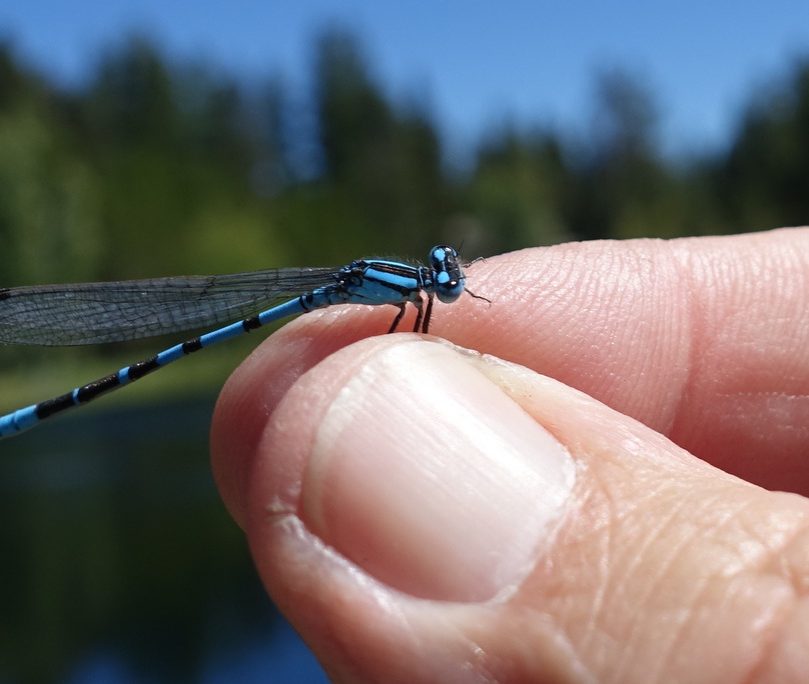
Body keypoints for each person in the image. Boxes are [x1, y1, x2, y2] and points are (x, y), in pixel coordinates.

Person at [210, 227, 809, 682]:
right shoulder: (408, 297)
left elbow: (410, 316)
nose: (449, 286)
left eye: (449, 277)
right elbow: (409, 317)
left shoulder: (413, 294)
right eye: (446, 280)